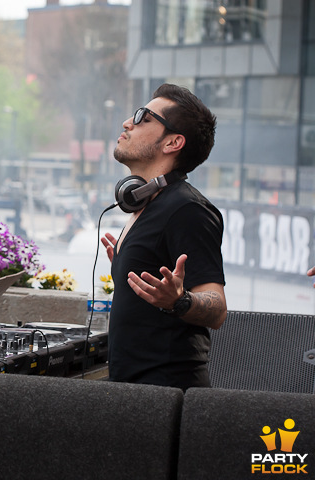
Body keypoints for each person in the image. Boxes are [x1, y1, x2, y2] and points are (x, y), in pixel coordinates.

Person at [100, 84, 227, 391]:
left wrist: (179, 300)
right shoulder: (148, 206)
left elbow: (218, 308)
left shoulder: (187, 209)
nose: (127, 123)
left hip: (166, 396)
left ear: (173, 142)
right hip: (136, 390)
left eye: (143, 118)